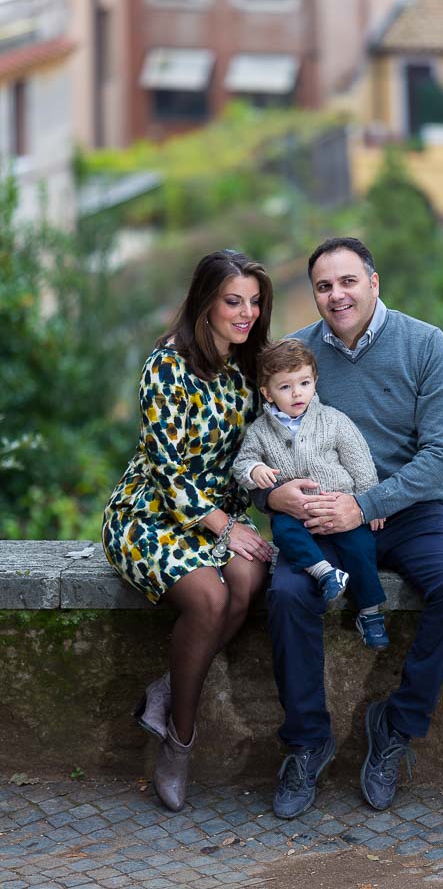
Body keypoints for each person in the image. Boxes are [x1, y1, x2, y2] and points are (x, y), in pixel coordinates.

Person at [260, 237, 443, 820]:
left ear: (374, 282)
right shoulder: (296, 357)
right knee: (286, 593)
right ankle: (308, 742)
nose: (336, 295)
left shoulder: (426, 345)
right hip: (321, 516)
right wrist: (271, 493)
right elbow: (256, 446)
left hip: (412, 511)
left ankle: (396, 723)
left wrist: (367, 502)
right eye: (323, 286)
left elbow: (441, 454)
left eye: (347, 282)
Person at [102, 249, 274, 813]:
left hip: (216, 513)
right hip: (151, 513)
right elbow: (168, 470)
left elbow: (267, 443)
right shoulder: (167, 364)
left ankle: (166, 690)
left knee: (249, 580)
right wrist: (226, 526)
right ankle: (178, 742)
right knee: (209, 598)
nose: (245, 313)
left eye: (253, 302)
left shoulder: (249, 369)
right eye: (233, 301)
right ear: (205, 302)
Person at [232, 338, 389, 648]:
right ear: (267, 392)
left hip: (339, 507)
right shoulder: (261, 431)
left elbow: (359, 462)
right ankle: (324, 573)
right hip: (296, 514)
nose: (297, 393)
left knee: (360, 548)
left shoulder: (332, 420)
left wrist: (372, 504)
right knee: (283, 531)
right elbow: (242, 464)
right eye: (286, 387)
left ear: (314, 381)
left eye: (304, 383)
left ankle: (370, 612)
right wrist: (255, 472)